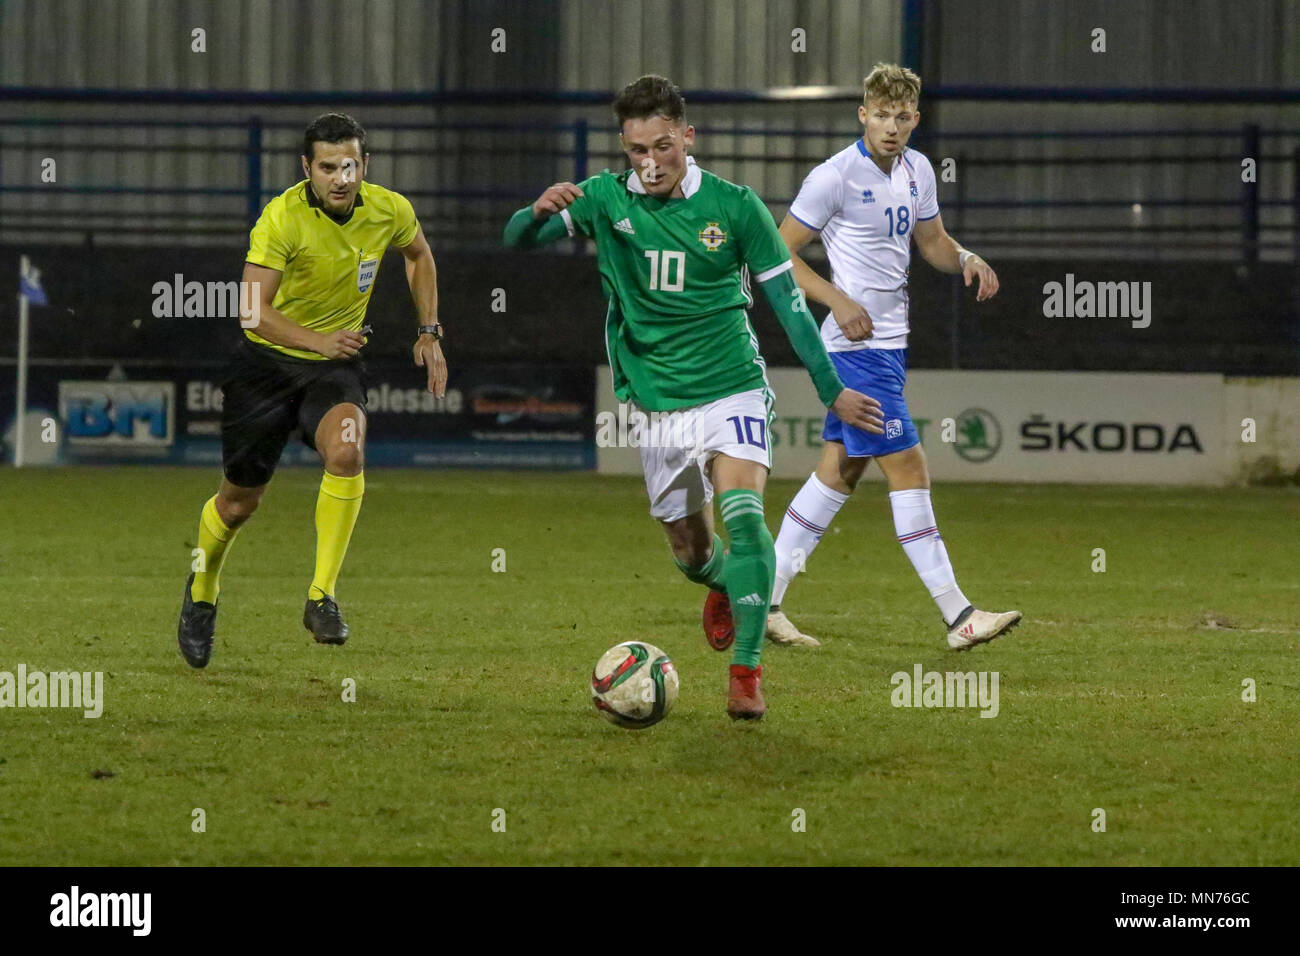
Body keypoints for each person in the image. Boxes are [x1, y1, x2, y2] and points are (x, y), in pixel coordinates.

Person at [503, 75, 884, 718]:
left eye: (663, 147)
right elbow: (516, 241)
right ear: (624, 148)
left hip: (732, 387)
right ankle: (726, 586)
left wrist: (833, 390)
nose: (650, 163)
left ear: (688, 137)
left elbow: (788, 303)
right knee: (691, 552)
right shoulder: (603, 199)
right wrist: (535, 212)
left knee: (744, 517)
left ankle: (746, 675)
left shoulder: (736, 207)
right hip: (656, 404)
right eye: (637, 151)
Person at [176, 112, 448, 668]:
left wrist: (429, 331)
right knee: (238, 503)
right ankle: (202, 590)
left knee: (347, 451)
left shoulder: (390, 209)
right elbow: (252, 311)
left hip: (334, 368)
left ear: (364, 165)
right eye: (327, 168)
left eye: (349, 166)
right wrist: (318, 340)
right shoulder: (281, 218)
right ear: (307, 169)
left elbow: (419, 254)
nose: (340, 178)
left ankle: (321, 596)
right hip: (266, 369)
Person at [765, 64, 1021, 650]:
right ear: (863, 115)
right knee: (908, 467)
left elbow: (932, 242)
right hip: (856, 349)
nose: (891, 127)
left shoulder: (918, 170)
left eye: (902, 117)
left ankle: (763, 600)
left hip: (889, 346)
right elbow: (777, 255)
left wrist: (966, 257)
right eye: (880, 115)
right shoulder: (833, 176)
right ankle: (959, 616)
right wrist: (836, 299)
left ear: (915, 119)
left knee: (839, 471)